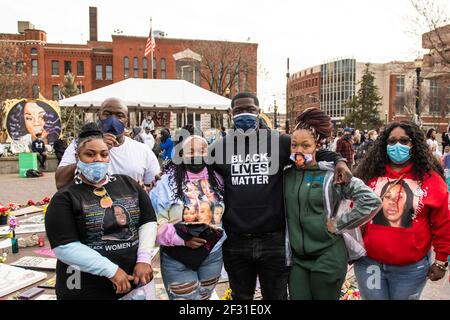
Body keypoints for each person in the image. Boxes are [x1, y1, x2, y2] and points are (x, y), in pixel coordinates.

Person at [209, 93, 352, 300]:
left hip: (273, 240)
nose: (244, 114)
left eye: (249, 109)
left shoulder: (279, 142)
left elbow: (313, 154)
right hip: (236, 240)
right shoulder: (219, 148)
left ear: (259, 112)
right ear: (231, 114)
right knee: (241, 297)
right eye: (238, 111)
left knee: (276, 297)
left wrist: (340, 161)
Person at [45, 123, 157, 300]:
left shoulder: (128, 184)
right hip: (84, 288)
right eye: (90, 154)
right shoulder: (64, 198)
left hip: (133, 282)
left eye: (104, 154)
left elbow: (148, 221)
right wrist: (111, 270)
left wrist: (144, 258)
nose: (98, 159)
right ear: (77, 157)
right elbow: (65, 247)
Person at [285, 108, 381, 300]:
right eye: (294, 145)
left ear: (317, 145)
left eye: (305, 145)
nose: (298, 151)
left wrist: (340, 224)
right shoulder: (286, 175)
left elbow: (371, 201)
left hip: (327, 257)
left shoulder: (333, 174)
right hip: (298, 261)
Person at [353, 121, 450, 300]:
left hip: (410, 270)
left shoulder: (432, 180)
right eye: (392, 141)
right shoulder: (368, 176)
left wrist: (441, 261)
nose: (397, 145)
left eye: (404, 141)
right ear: (384, 144)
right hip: (369, 264)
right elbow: (352, 212)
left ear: (414, 144)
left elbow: (443, 223)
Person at [150, 134, 226, 300]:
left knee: (205, 298)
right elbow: (155, 223)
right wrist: (183, 239)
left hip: (213, 255)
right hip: (178, 257)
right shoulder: (165, 183)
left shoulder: (219, 180)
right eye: (190, 151)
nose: (196, 154)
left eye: (202, 150)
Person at [55, 98, 160, 190]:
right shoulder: (80, 145)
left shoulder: (143, 150)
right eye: (107, 114)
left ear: (126, 120)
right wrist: (90, 153)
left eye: (119, 116)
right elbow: (60, 183)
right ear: (99, 116)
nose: (113, 120)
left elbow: (153, 187)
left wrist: (144, 189)